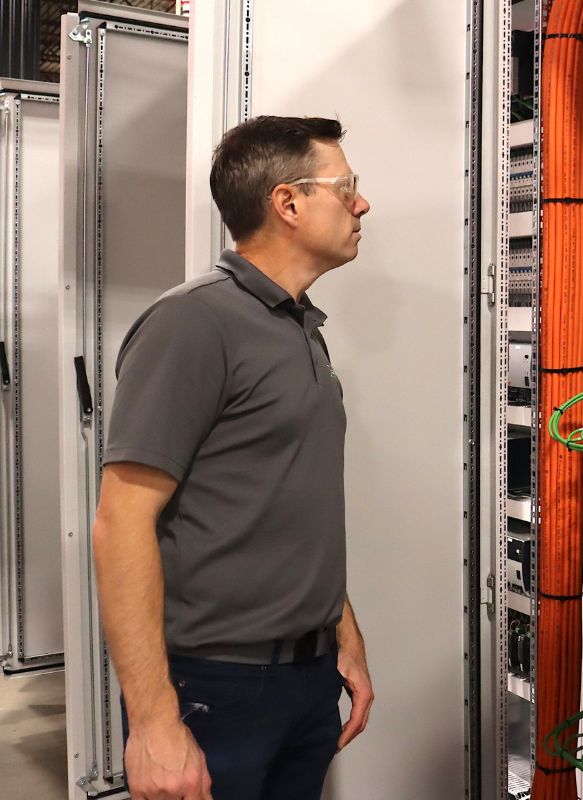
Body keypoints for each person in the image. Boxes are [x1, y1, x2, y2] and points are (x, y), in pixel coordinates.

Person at [92, 116, 373, 800]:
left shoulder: (300, 326)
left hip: (307, 678)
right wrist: (153, 723)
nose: (361, 204)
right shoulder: (193, 323)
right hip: (216, 685)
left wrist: (341, 631)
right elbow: (120, 522)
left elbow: (285, 500)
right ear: (288, 203)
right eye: (346, 187)